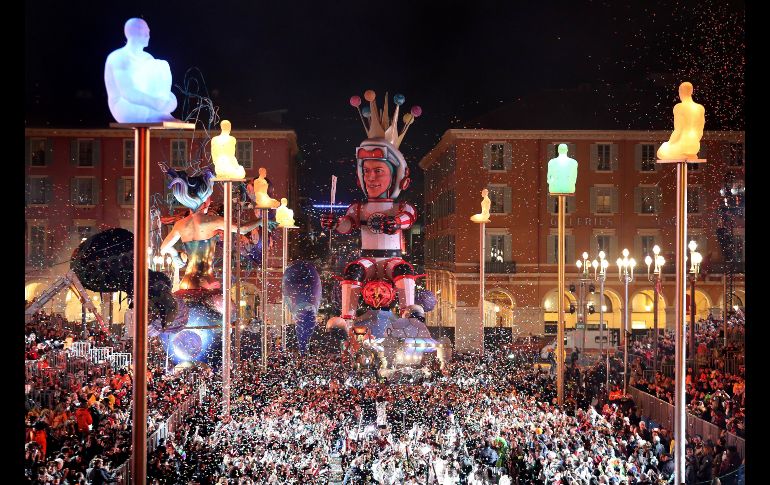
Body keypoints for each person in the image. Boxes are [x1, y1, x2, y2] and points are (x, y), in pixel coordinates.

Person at [104, 18, 177, 123]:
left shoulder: (148, 58)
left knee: (162, 64)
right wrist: (157, 103)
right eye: (145, 31)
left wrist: (170, 100)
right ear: (133, 31)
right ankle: (156, 114)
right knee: (157, 107)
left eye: (148, 32)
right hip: (125, 107)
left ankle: (159, 113)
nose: (148, 35)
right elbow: (128, 92)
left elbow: (158, 88)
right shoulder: (119, 57)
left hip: (152, 105)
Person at [657, 82, 706, 160]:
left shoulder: (679, 107)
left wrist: (670, 143)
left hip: (682, 144)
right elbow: (700, 131)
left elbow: (678, 130)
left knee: (661, 151)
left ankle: (681, 156)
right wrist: (693, 141)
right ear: (691, 91)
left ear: (680, 92)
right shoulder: (700, 108)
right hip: (695, 146)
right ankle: (690, 155)